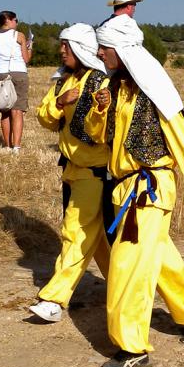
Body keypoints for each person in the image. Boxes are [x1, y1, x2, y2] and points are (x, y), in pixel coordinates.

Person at [86, 14, 184, 367]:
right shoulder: (114, 90)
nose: (99, 53)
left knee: (128, 265)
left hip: (150, 188)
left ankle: (132, 346)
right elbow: (97, 135)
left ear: (122, 51)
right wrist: (99, 109)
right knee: (158, 257)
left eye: (104, 48)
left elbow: (182, 141)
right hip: (124, 187)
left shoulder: (153, 92)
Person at [28, 24, 114, 323]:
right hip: (72, 169)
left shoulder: (102, 82)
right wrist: (61, 102)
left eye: (66, 46)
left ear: (81, 48)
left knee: (75, 231)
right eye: (62, 45)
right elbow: (45, 118)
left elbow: (103, 131)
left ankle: (54, 299)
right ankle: (125, 286)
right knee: (98, 239)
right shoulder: (64, 81)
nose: (61, 50)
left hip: (96, 170)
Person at [0, 10, 32, 154]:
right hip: (18, 72)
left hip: (1, 73)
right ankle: (16, 147)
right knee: (17, 111)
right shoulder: (19, 35)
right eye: (16, 20)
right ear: (10, 20)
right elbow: (26, 59)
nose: (17, 23)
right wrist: (30, 47)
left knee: (5, 111)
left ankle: (7, 144)